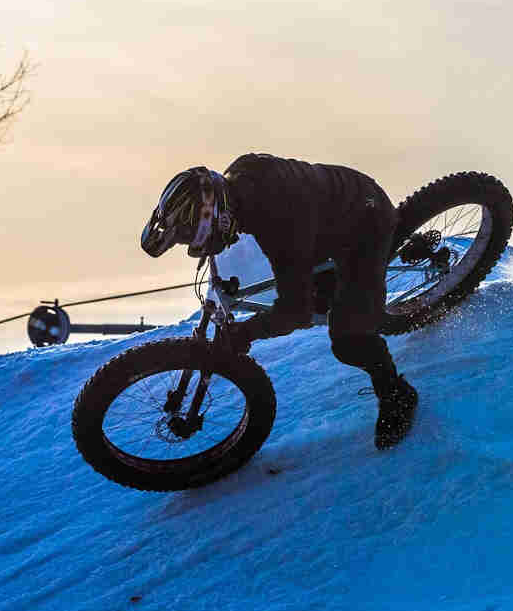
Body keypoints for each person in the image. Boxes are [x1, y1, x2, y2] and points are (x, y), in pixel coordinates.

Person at [140, 153, 419, 450]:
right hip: (333, 207)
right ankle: (336, 287)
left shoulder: (280, 223)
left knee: (349, 337)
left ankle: (397, 394)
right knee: (316, 289)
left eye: (193, 238)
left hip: (366, 220)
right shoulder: (239, 184)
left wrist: (247, 332)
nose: (193, 246)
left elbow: (294, 313)